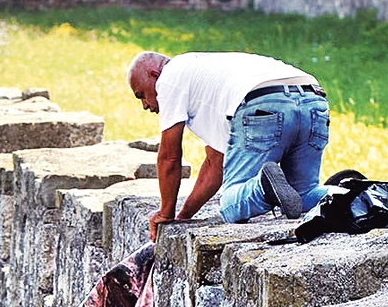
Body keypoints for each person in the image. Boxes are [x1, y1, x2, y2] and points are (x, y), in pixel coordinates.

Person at [127, 50, 330, 239]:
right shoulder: (205, 79)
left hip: (262, 101)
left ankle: (264, 187)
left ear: (154, 74)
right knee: (304, 196)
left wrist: (165, 213)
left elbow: (169, 156)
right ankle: (354, 192)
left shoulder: (169, 77)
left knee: (230, 204)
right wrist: (183, 217)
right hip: (313, 99)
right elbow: (215, 164)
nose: (145, 105)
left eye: (141, 95)